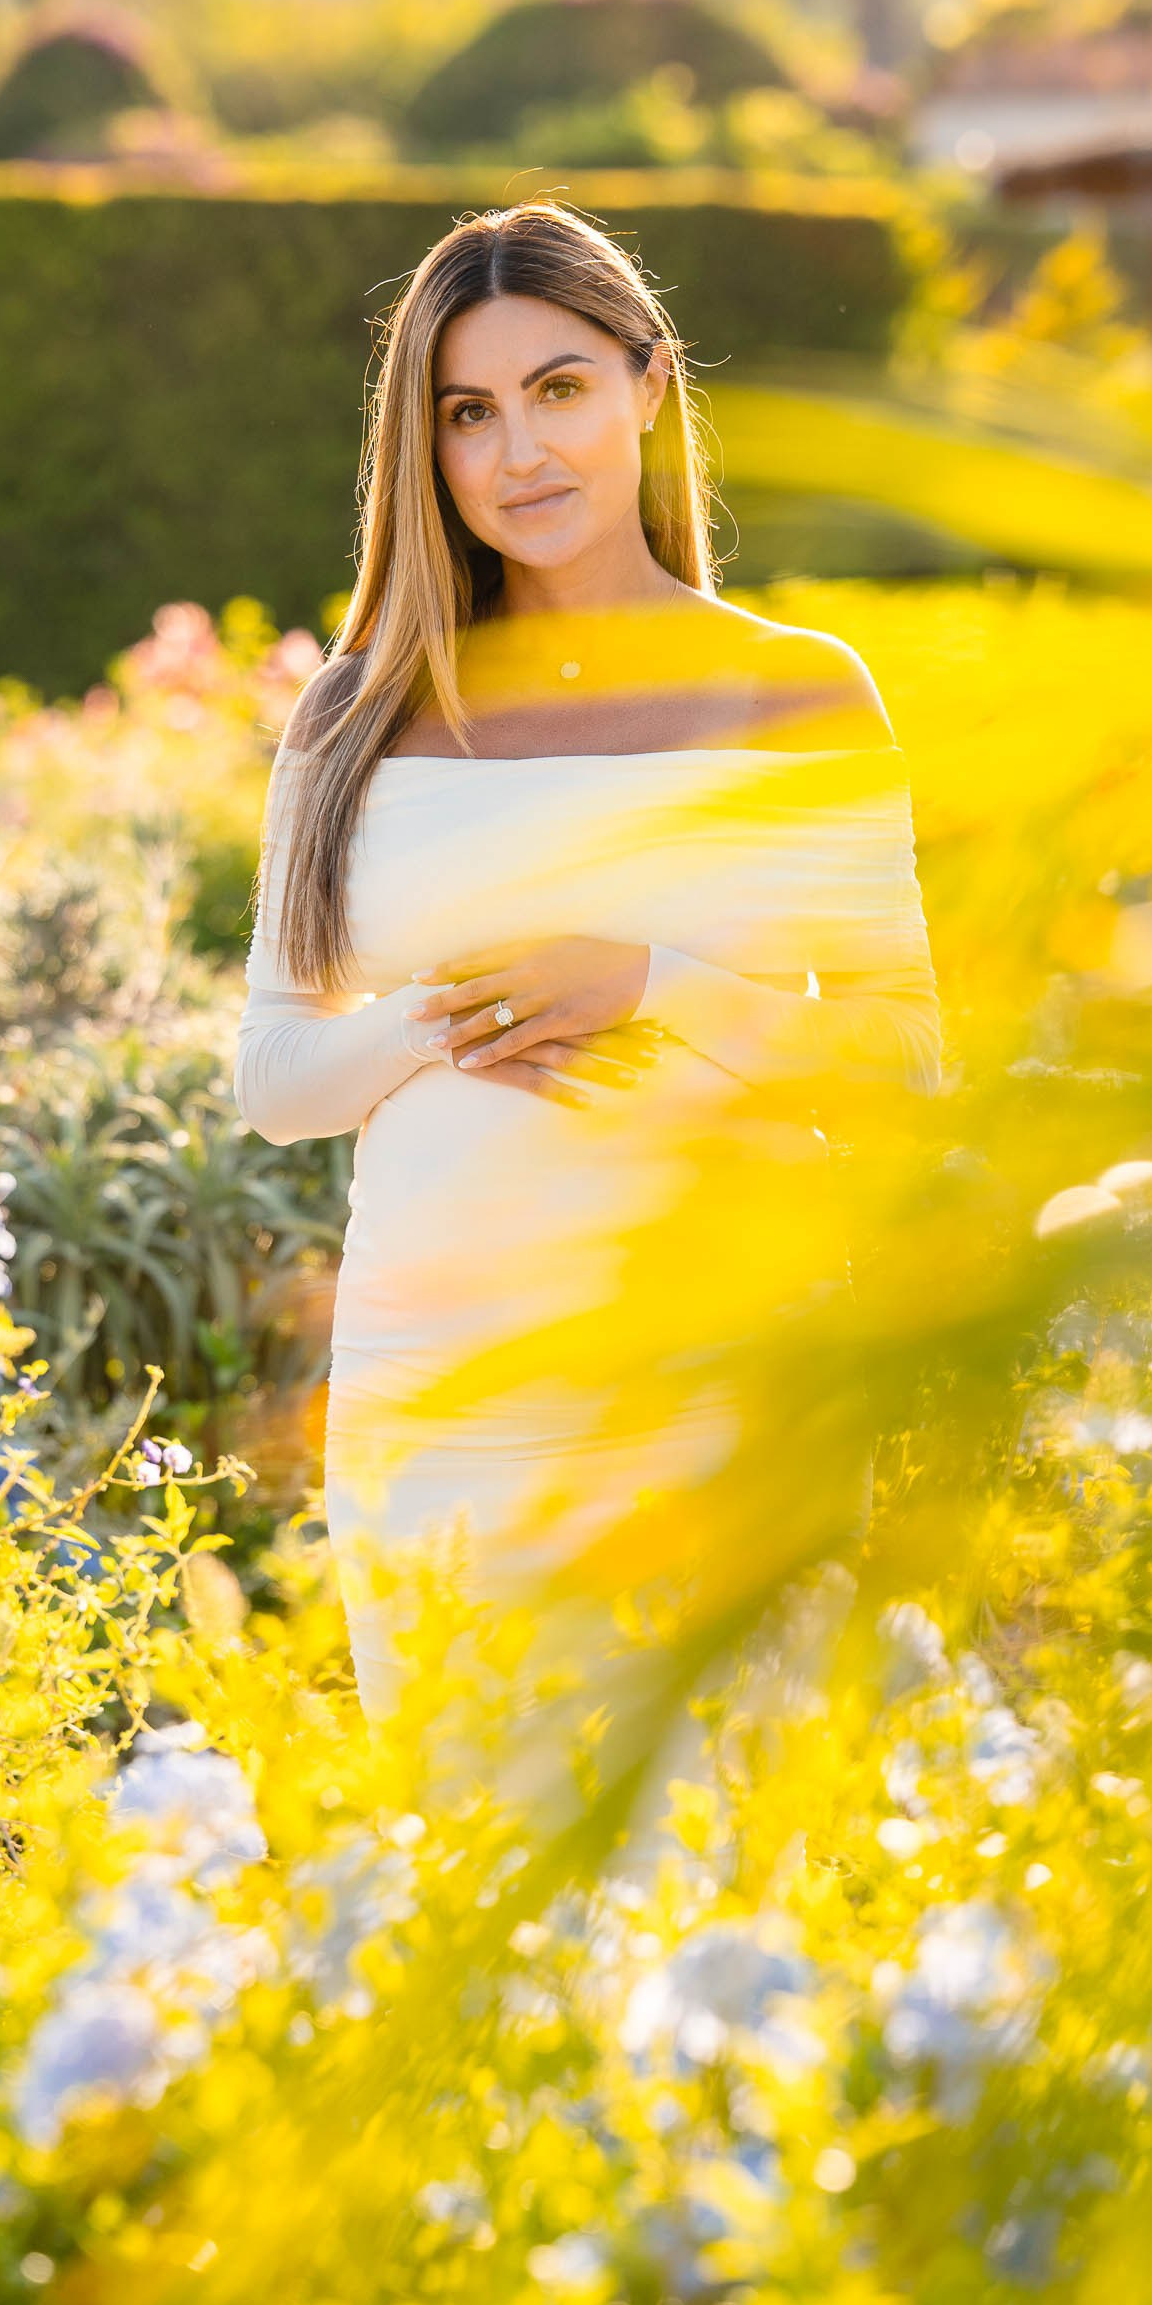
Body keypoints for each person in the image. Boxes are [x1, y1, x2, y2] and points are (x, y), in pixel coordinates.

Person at [235, 201, 940, 1722]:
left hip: (715, 1383)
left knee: (719, 1903)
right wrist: (443, 1011)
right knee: (464, 1891)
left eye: (559, 389)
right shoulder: (357, 712)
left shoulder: (793, 697)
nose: (517, 455)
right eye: (467, 414)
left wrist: (642, 980)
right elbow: (277, 1077)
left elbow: (900, 1065)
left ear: (650, 385)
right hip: (435, 1412)